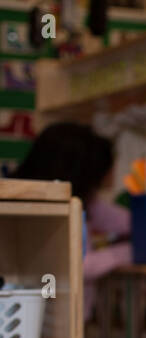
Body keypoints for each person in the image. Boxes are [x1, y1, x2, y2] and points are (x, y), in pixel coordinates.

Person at [12, 122, 131, 316]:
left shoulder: (82, 202)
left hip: (59, 320)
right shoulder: (39, 210)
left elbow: (119, 219)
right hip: (48, 319)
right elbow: (78, 265)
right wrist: (129, 251)